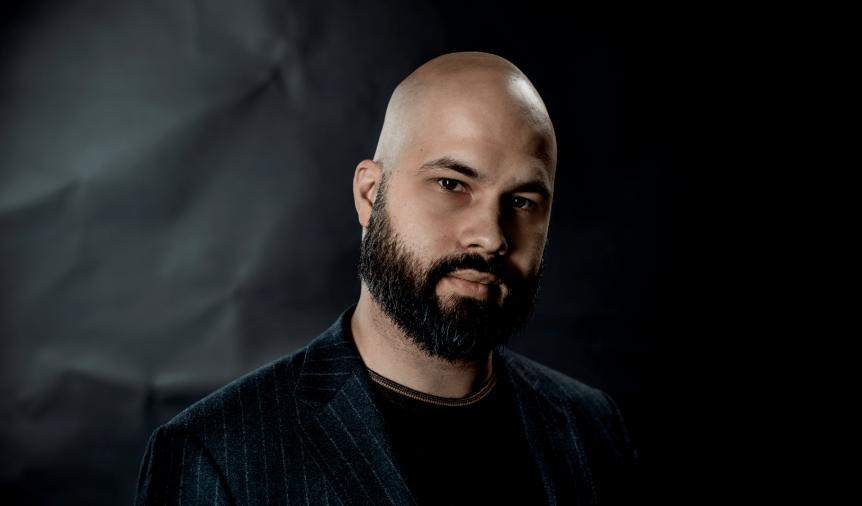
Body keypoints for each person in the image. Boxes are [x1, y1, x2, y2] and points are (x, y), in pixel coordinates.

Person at [135, 52, 637, 506]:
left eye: (523, 201)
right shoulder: (215, 455)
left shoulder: (593, 426)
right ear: (370, 195)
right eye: (452, 184)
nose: (490, 236)